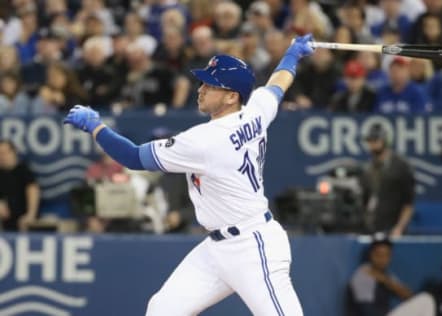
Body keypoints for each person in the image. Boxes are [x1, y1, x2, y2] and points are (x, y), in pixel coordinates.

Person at [64, 34, 315, 315]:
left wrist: (96, 127)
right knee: (162, 309)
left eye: (211, 85)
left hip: (254, 246)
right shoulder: (256, 109)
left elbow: (133, 157)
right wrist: (293, 55)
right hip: (217, 249)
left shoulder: (205, 140)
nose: (201, 89)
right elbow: (277, 85)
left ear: (232, 96)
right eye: (203, 82)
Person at [360, 123, 415, 236]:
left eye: (375, 140)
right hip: (372, 228)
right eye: (370, 141)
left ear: (385, 141)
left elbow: (408, 203)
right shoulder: (368, 169)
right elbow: (366, 200)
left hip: (392, 228)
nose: (372, 144)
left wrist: (399, 228)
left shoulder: (401, 166)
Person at [347, 233, 413, 316]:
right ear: (371, 254)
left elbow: (410, 297)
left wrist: (386, 281)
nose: (382, 260)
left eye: (386, 255)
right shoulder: (362, 277)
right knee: (426, 301)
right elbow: (367, 312)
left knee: (424, 301)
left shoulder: (385, 274)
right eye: (379, 255)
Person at [0, 140, 40, 231]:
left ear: (14, 152)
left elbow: (33, 190)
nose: (2, 156)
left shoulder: (23, 171)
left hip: (22, 221)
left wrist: (30, 214)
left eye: (4, 153)